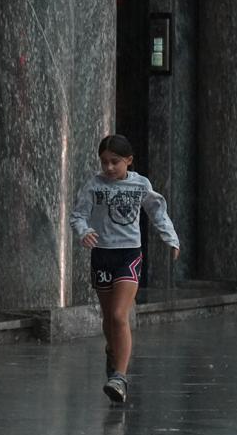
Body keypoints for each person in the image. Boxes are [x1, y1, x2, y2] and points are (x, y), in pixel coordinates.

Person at [69, 134, 179, 405]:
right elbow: (78, 215)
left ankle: (120, 376)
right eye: (104, 162)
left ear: (128, 161)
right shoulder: (94, 185)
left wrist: (171, 238)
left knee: (120, 315)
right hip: (102, 255)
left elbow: (157, 211)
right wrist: (84, 232)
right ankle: (112, 350)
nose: (108, 168)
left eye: (115, 162)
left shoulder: (140, 184)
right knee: (108, 317)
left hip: (129, 254)